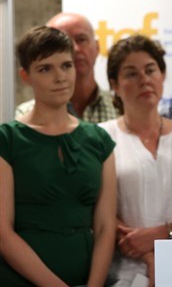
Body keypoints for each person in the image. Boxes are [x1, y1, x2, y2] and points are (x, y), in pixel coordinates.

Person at [0, 26, 116, 286]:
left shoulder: (99, 140)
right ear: (25, 76)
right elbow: (2, 233)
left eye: (66, 65)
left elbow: (106, 226)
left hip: (87, 279)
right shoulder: (7, 139)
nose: (60, 77)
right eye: (45, 69)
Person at [100, 35, 172, 287]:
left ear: (162, 75)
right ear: (114, 85)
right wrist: (147, 253)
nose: (144, 80)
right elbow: (92, 207)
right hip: (123, 271)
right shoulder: (100, 137)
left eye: (150, 70)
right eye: (131, 73)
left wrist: (161, 236)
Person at [15, 12, 118, 123]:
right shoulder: (24, 116)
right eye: (61, 44)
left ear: (97, 47)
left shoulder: (122, 109)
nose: (74, 49)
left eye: (81, 39)